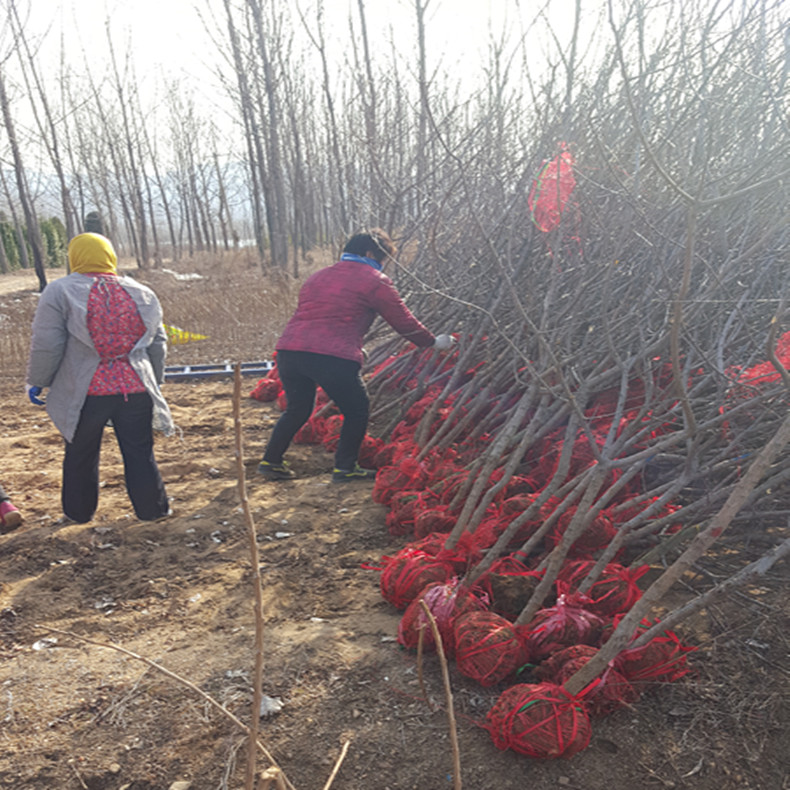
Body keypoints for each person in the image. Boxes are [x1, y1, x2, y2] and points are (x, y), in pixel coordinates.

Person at [259, 228, 454, 483]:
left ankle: (271, 461)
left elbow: (321, 316)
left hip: (290, 351)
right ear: (370, 253)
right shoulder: (375, 280)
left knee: (297, 410)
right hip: (331, 357)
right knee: (357, 410)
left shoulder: (318, 277)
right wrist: (431, 341)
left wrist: (350, 343)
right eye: (382, 259)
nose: (383, 265)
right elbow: (402, 320)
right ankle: (345, 467)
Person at [26, 232, 174, 523]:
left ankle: (78, 513)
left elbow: (48, 343)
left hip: (87, 391)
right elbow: (157, 343)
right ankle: (153, 511)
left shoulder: (60, 291)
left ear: (75, 257)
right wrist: (154, 381)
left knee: (81, 453)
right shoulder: (142, 292)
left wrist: (38, 380)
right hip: (136, 387)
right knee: (139, 452)